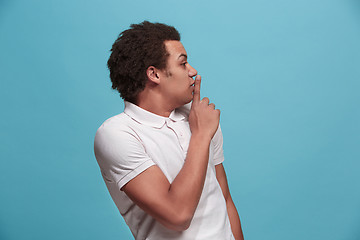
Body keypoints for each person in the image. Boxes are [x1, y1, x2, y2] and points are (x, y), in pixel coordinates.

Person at [94, 21, 244, 240]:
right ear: (154, 74)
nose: (193, 71)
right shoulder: (117, 134)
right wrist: (201, 136)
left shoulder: (199, 116)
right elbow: (178, 215)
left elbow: (225, 198)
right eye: (183, 64)